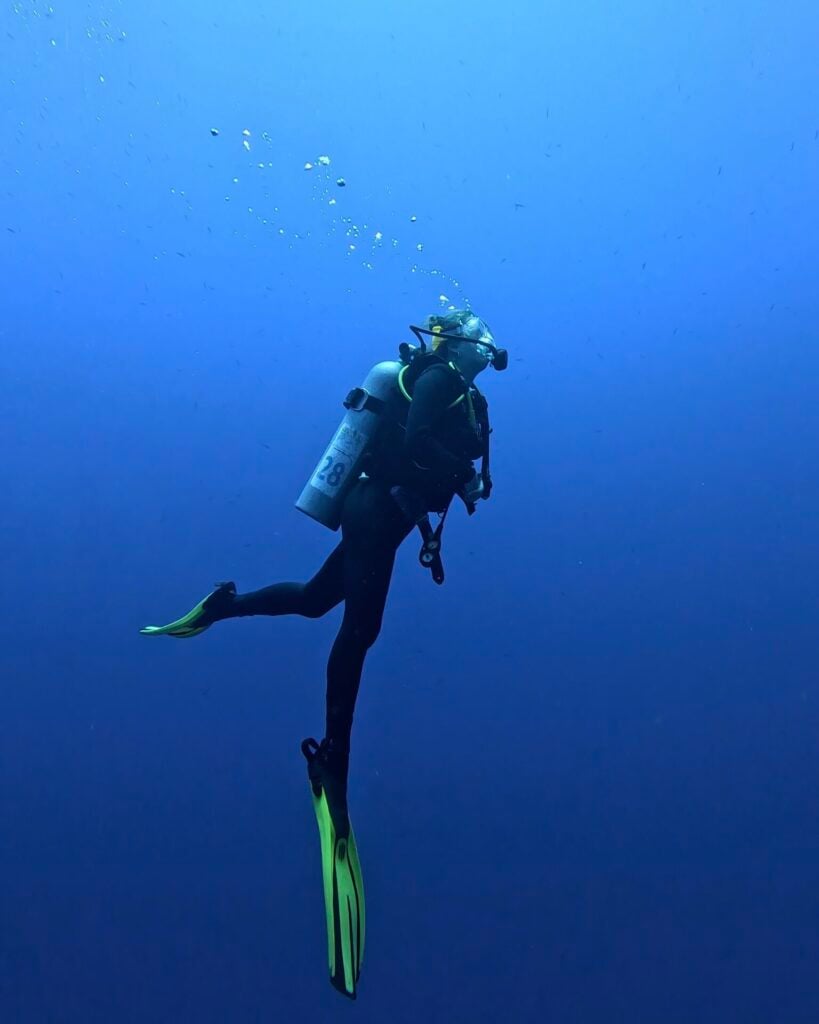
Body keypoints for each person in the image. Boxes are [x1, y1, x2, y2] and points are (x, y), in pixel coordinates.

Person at [139, 309, 506, 997]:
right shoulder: (435, 384)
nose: (487, 344)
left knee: (314, 599)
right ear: (456, 343)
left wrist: (467, 481)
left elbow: (451, 461)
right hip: (375, 512)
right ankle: (333, 756)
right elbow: (422, 442)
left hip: (388, 517)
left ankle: (224, 604)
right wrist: (457, 472)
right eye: (475, 334)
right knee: (359, 634)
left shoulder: (467, 396)